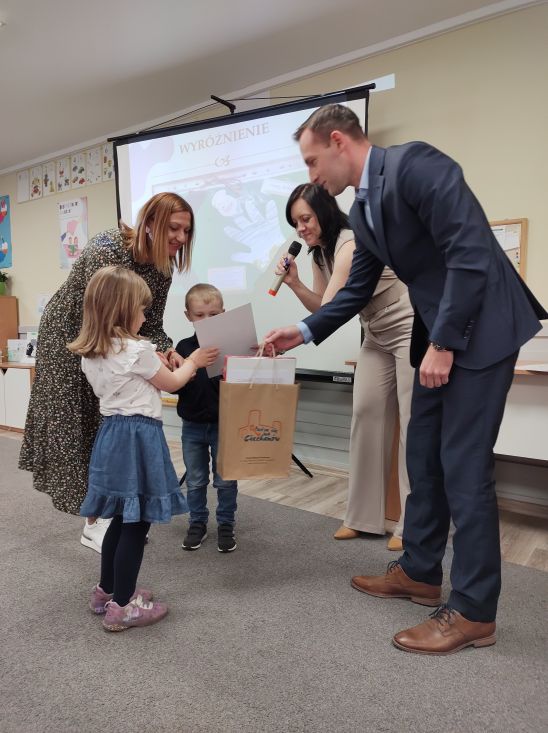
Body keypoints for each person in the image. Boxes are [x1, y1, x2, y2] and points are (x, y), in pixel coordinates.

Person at [264, 104, 547, 655]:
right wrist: (304, 330)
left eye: (312, 160)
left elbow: (470, 253)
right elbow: (355, 289)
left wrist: (443, 343)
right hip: (440, 332)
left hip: (483, 328)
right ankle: (419, 571)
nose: (311, 174)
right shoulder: (363, 210)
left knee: (464, 466)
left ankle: (473, 612)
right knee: (423, 454)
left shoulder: (416, 166)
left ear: (339, 141)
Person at [19, 192, 194, 553]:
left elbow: (152, 323)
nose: (181, 238)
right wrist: (139, 354)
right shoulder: (107, 249)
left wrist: (166, 349)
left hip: (117, 339)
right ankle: (94, 522)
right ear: (150, 223)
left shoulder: (163, 268)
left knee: (109, 424)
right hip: (74, 337)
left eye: (187, 231)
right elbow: (98, 317)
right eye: (174, 228)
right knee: (84, 426)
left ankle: (111, 515)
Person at [68, 265, 218, 631]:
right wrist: (194, 361)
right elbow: (173, 383)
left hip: (112, 436)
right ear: (122, 310)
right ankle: (123, 606)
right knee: (137, 523)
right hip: (139, 438)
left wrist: (161, 363)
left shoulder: (94, 351)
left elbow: (134, 380)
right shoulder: (137, 350)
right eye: (141, 309)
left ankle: (107, 590)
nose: (145, 316)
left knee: (121, 516)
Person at [276, 183, 414, 550]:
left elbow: (333, 308)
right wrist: (294, 284)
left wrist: (297, 333)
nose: (301, 228)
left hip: (407, 323)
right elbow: (323, 307)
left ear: (324, 212)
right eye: (295, 223)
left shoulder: (349, 243)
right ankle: (363, 518)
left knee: (412, 422)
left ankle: (412, 526)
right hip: (374, 330)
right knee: (365, 413)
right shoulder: (320, 253)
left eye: (305, 219)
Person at [174, 284, 238, 553]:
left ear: (223, 314)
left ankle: (226, 524)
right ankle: (197, 522)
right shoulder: (183, 347)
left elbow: (247, 382)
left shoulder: (232, 346)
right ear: (188, 316)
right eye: (200, 315)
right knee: (196, 479)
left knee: (226, 480)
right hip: (192, 426)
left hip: (225, 425)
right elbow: (175, 385)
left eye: (213, 315)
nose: (207, 320)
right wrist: (188, 367)